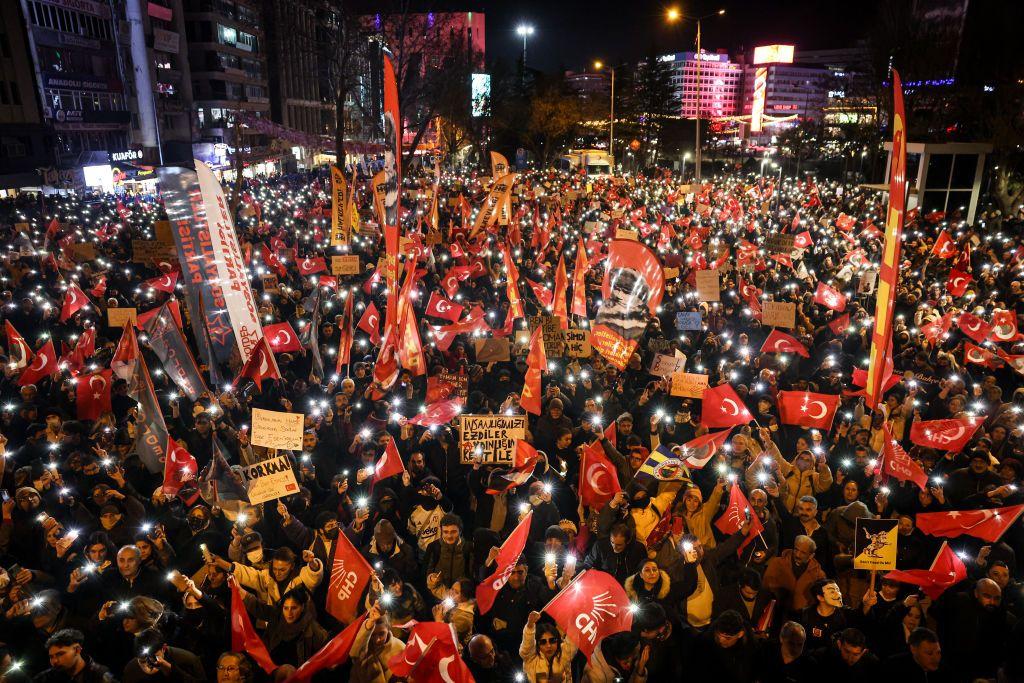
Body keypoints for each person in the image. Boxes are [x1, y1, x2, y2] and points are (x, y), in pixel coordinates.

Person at [122, 627, 206, 682]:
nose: (149, 666)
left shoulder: (188, 660)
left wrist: (172, 670)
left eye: (154, 658)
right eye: (143, 662)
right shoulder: (130, 670)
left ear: (164, 648)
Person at [31, 629, 115, 683]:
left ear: (77, 650)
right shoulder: (45, 678)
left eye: (60, 654)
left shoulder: (100, 676)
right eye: (51, 656)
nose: (54, 661)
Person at [519, 611, 576, 683]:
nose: (548, 645)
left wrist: (574, 621)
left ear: (557, 641)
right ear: (537, 644)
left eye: (552, 640)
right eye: (543, 642)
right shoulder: (531, 658)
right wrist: (530, 626)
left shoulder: (564, 654)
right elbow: (526, 649)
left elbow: (573, 641)